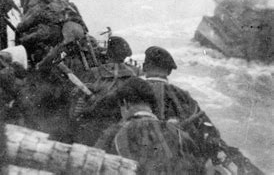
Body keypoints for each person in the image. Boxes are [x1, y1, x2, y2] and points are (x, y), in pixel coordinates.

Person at [142, 46, 263, 174]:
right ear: (169, 71)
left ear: (144, 67)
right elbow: (209, 133)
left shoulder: (133, 90)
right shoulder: (183, 95)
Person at [94, 77, 205, 174]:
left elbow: (93, 166)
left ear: (125, 103)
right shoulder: (179, 133)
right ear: (151, 103)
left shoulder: (113, 134)